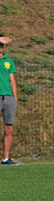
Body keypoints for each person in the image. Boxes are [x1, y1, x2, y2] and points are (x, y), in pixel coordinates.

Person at [0, 35, 19, 165]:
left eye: (2, 45)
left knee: (9, 129)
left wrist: (14, 99)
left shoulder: (8, 61)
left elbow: (12, 81)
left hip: (8, 98)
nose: (1, 47)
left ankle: (5, 158)